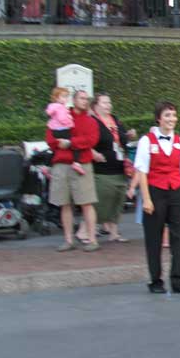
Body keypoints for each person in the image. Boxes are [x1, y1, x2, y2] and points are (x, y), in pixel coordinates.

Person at [135, 101, 180, 294]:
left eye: (173, 115)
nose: (171, 119)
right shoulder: (146, 141)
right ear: (158, 118)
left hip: (177, 191)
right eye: (167, 115)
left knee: (179, 237)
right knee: (153, 238)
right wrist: (146, 199)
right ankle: (155, 280)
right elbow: (142, 171)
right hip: (155, 191)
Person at [45, 89, 101, 252]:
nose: (85, 101)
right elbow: (51, 138)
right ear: (74, 100)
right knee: (64, 203)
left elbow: (91, 140)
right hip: (61, 164)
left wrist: (71, 143)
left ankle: (92, 239)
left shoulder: (90, 121)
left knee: (87, 203)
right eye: (81, 98)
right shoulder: (60, 116)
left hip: (82, 164)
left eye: (86, 99)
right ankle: (69, 240)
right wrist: (62, 144)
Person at [90, 93, 132, 242]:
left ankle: (114, 232)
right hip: (102, 169)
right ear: (96, 105)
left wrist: (128, 135)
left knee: (118, 200)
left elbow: (122, 138)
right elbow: (87, 143)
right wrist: (93, 153)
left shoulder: (115, 120)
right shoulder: (93, 121)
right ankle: (88, 230)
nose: (108, 105)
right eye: (104, 103)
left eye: (109, 102)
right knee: (101, 201)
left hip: (120, 167)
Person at [46, 87, 88, 176]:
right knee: (74, 144)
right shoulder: (60, 107)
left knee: (53, 150)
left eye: (66, 96)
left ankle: (48, 167)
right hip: (63, 129)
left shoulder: (54, 106)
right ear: (57, 98)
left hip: (55, 130)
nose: (66, 99)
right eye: (64, 96)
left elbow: (49, 113)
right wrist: (69, 122)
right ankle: (76, 163)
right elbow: (62, 119)